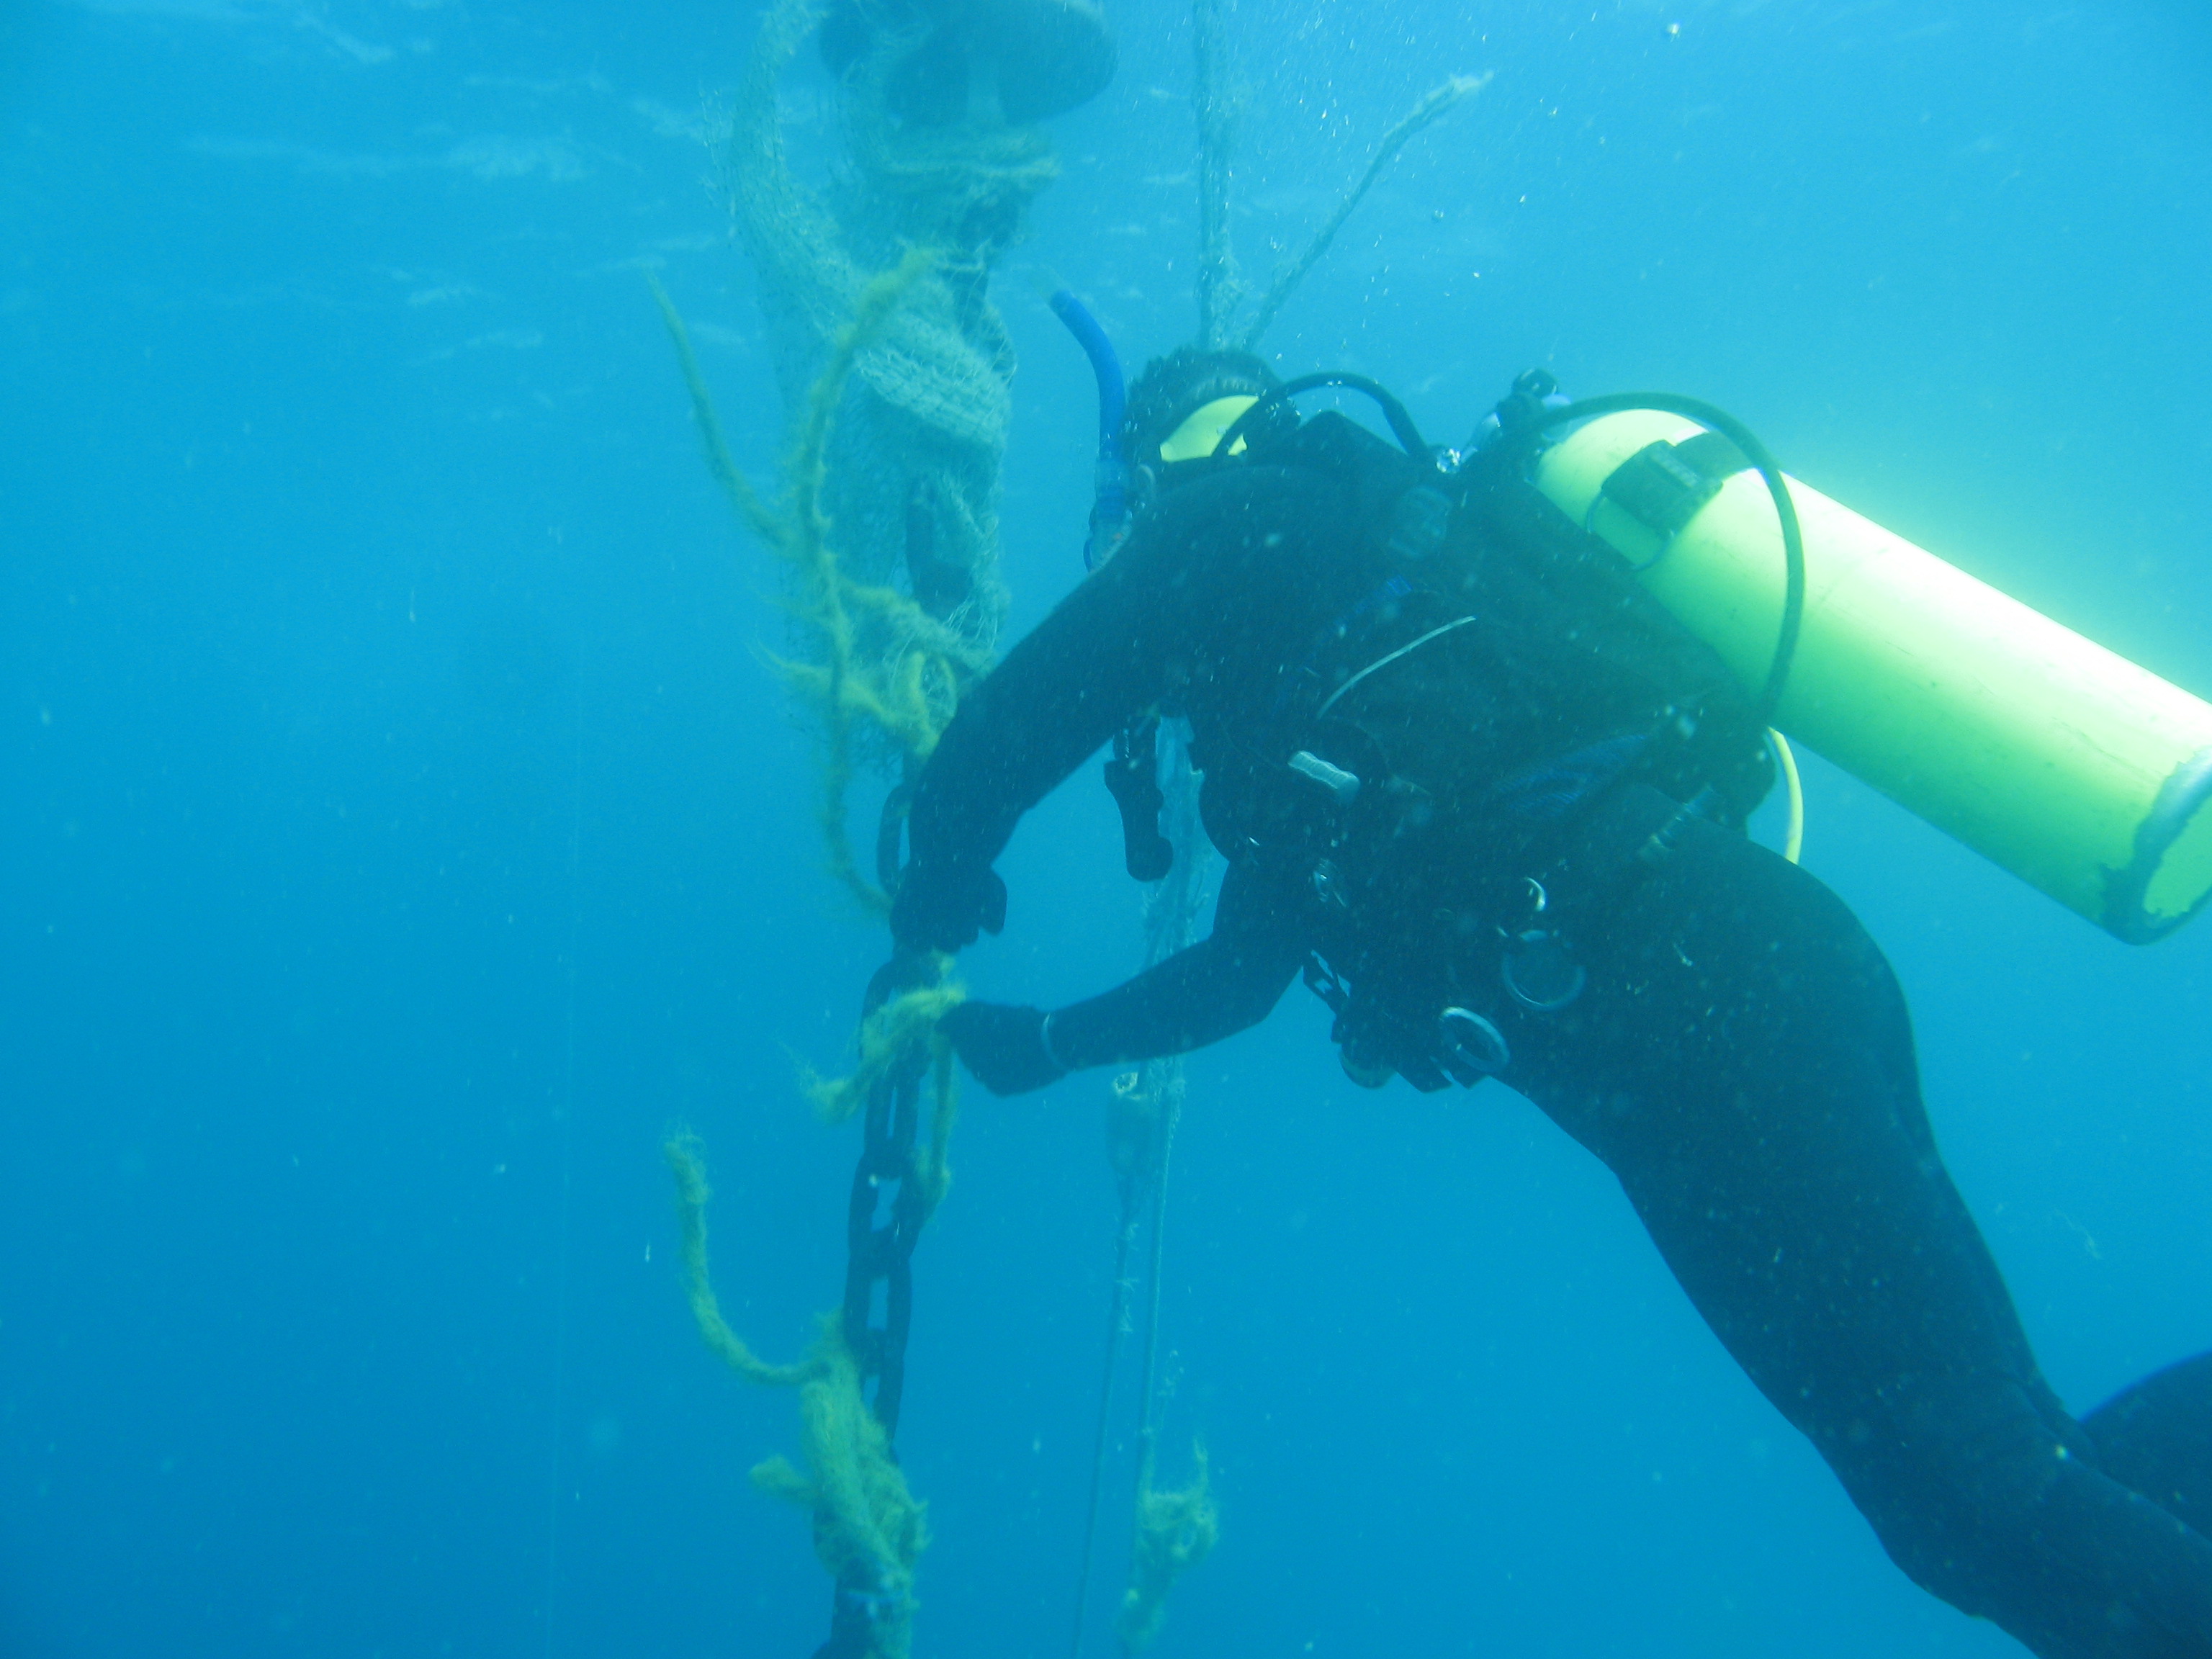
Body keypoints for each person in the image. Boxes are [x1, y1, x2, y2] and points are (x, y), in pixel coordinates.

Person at [886, 345, 2212, 1656]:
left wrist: (940, 864)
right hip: (1725, 1011)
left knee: (1984, 1483)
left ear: (1159, 467)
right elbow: (1239, 979)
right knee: (1971, 1497)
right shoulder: (1360, 637)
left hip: (1706, 1009)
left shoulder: (1238, 518)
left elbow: (1029, 708)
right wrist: (1048, 1042)